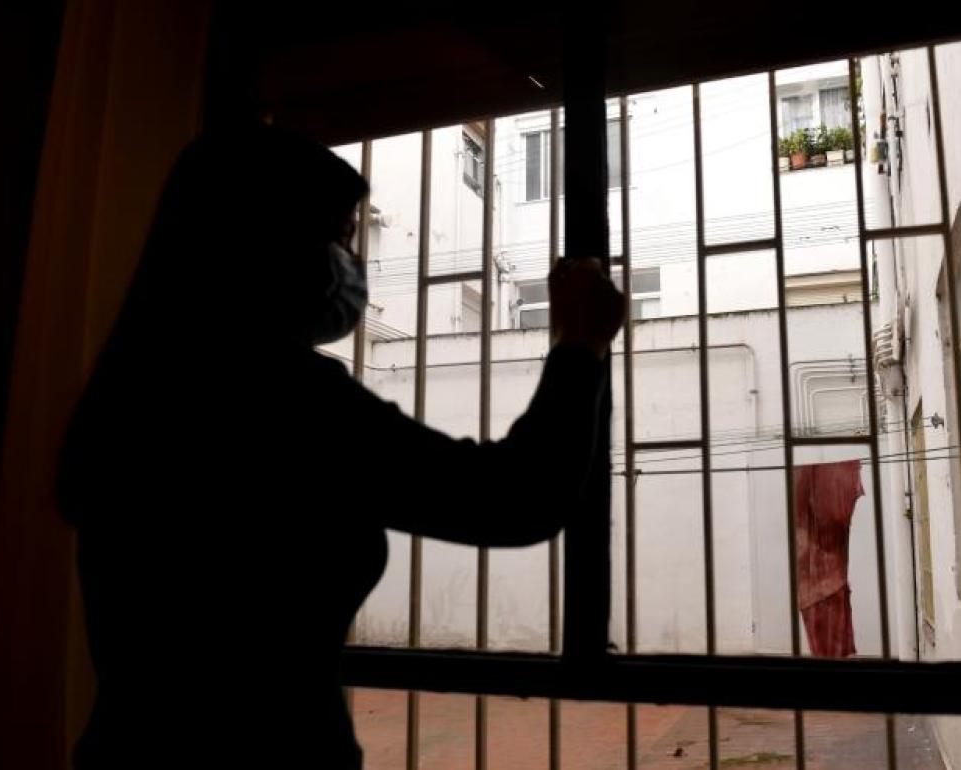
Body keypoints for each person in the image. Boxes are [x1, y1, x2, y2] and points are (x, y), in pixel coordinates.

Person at [56, 124, 624, 769]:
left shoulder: (138, 385)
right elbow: (513, 498)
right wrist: (580, 344)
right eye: (344, 235)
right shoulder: (278, 395)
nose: (353, 263)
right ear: (268, 240)